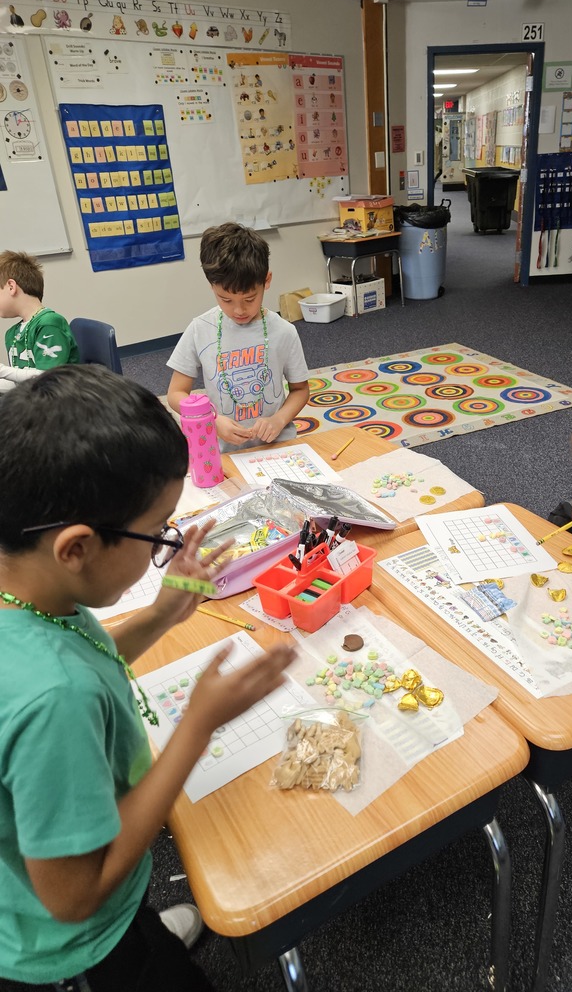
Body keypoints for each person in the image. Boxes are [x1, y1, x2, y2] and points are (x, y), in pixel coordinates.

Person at [0, 365, 296, 991]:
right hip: (77, 949)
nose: (165, 541)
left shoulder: (27, 598)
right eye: (155, 531)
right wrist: (196, 727)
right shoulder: (55, 699)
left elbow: (82, 651)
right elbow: (75, 896)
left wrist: (161, 613)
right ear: (75, 548)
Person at [166, 223, 309, 453]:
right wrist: (211, 419)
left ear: (267, 280)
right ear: (212, 286)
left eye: (250, 299)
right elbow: (175, 394)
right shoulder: (200, 329)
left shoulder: (283, 331)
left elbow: (300, 390)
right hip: (224, 450)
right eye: (226, 300)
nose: (239, 310)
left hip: (278, 447)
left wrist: (279, 420)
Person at [0, 250, 79, 370]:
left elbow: (46, 378)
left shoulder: (49, 324)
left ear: (11, 287)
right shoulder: (12, 334)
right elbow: (18, 381)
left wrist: (3, 371)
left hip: (60, 388)